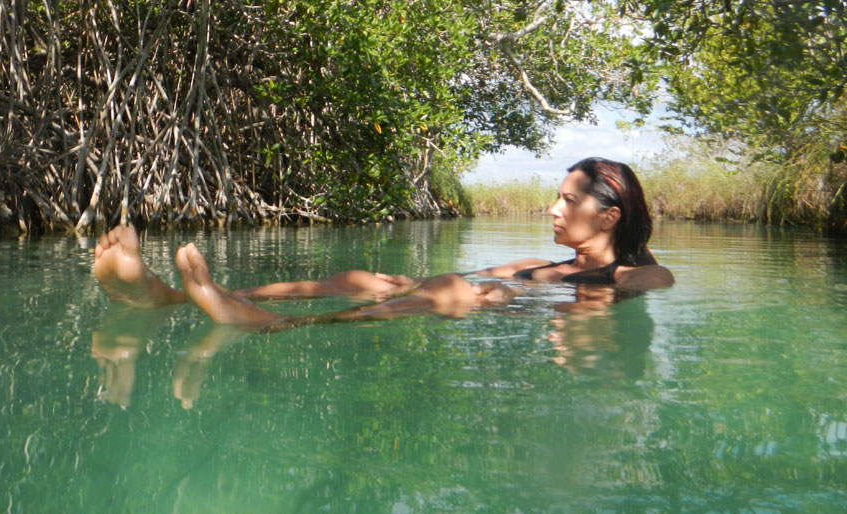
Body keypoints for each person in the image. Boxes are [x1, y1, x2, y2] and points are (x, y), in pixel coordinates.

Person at [93, 157, 673, 330]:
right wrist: (406, 282)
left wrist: (623, 260)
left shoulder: (638, 276)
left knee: (451, 289)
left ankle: (274, 324)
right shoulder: (537, 263)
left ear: (610, 215)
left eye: (570, 201)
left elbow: (643, 281)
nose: (554, 208)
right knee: (369, 279)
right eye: (557, 196)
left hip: (506, 301)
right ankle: (165, 296)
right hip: (510, 286)